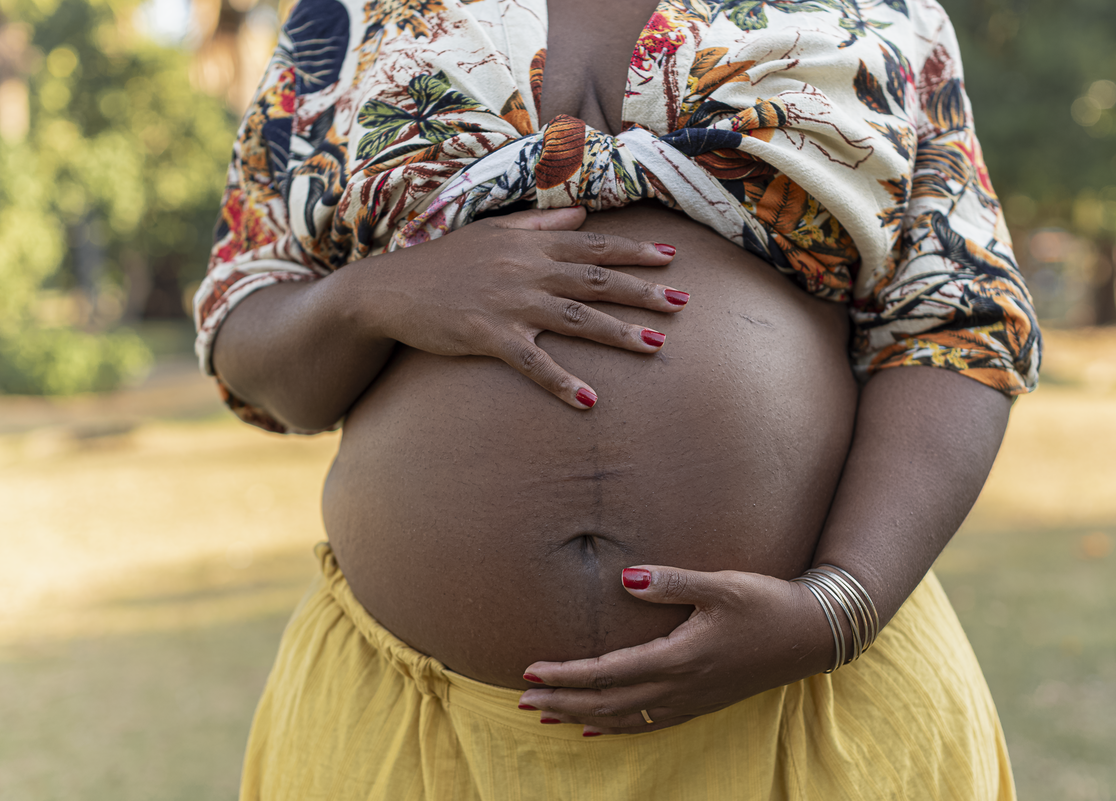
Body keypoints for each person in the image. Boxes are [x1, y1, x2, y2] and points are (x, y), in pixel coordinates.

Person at [195, 0, 1040, 797]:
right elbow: (249, 327)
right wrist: (374, 293)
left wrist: (838, 608)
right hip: (413, 737)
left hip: (813, 715)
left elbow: (957, 322)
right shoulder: (348, 14)